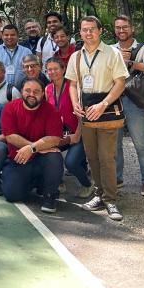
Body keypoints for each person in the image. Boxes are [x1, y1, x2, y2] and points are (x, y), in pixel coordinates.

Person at [66, 15, 128, 221]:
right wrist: (75, 103)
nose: (88, 33)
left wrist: (104, 104)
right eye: (84, 30)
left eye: (92, 29)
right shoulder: (76, 56)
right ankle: (99, 193)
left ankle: (111, 199)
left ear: (100, 31)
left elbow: (120, 82)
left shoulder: (112, 53)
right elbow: (73, 84)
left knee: (106, 158)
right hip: (86, 113)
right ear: (80, 32)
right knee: (91, 157)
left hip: (106, 110)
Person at [0, 78, 64, 213]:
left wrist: (32, 149)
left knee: (55, 157)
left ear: (43, 94)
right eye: (27, 91)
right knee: (12, 195)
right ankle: (32, 183)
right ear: (21, 92)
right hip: (18, 159)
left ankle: (50, 196)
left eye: (36, 91)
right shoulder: (10, 108)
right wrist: (33, 147)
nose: (31, 94)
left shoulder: (51, 110)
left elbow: (55, 139)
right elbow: (10, 136)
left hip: (41, 160)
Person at [112, 14, 144, 196]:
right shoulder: (110, 49)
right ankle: (117, 177)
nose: (121, 30)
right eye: (118, 27)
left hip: (134, 100)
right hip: (114, 100)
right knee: (114, 143)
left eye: (125, 27)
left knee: (140, 143)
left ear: (132, 29)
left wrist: (130, 62)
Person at [45, 57, 92, 198]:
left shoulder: (73, 87)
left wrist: (77, 135)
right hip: (59, 134)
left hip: (77, 132)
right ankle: (58, 182)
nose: (52, 72)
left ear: (64, 69)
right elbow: (48, 114)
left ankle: (87, 185)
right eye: (49, 69)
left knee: (71, 162)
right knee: (48, 153)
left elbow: (81, 113)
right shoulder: (48, 89)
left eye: (56, 69)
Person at [0, 24, 32, 89]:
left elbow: (31, 71)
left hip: (21, 90)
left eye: (12, 35)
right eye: (6, 35)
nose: (9, 37)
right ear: (2, 36)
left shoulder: (27, 52)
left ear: (17, 36)